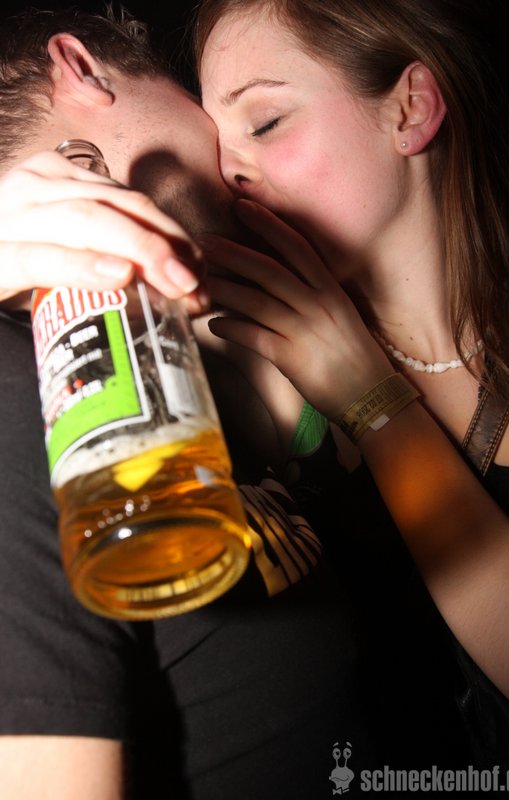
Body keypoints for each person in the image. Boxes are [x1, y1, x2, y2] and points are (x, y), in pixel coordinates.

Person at [0, 7, 374, 799]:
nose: (232, 153)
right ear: (81, 67)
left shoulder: (185, 360)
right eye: (198, 97)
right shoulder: (18, 378)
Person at [191, 0, 509, 777]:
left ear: (409, 109)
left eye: (265, 121)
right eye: (219, 148)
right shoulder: (262, 368)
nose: (231, 171)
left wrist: (375, 405)